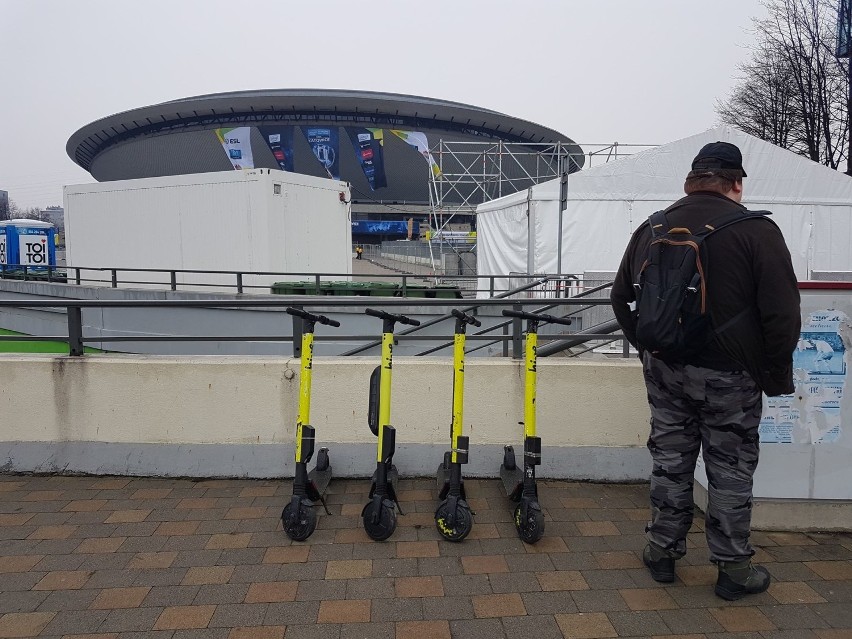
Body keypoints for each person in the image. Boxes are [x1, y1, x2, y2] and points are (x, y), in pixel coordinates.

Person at [610, 141, 801, 600]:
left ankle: (662, 553)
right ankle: (733, 569)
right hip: (730, 376)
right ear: (736, 184)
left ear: (689, 182)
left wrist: (648, 351)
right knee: (730, 468)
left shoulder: (651, 227)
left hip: (665, 370)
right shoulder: (757, 232)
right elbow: (782, 316)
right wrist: (773, 375)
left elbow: (621, 299)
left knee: (671, 460)